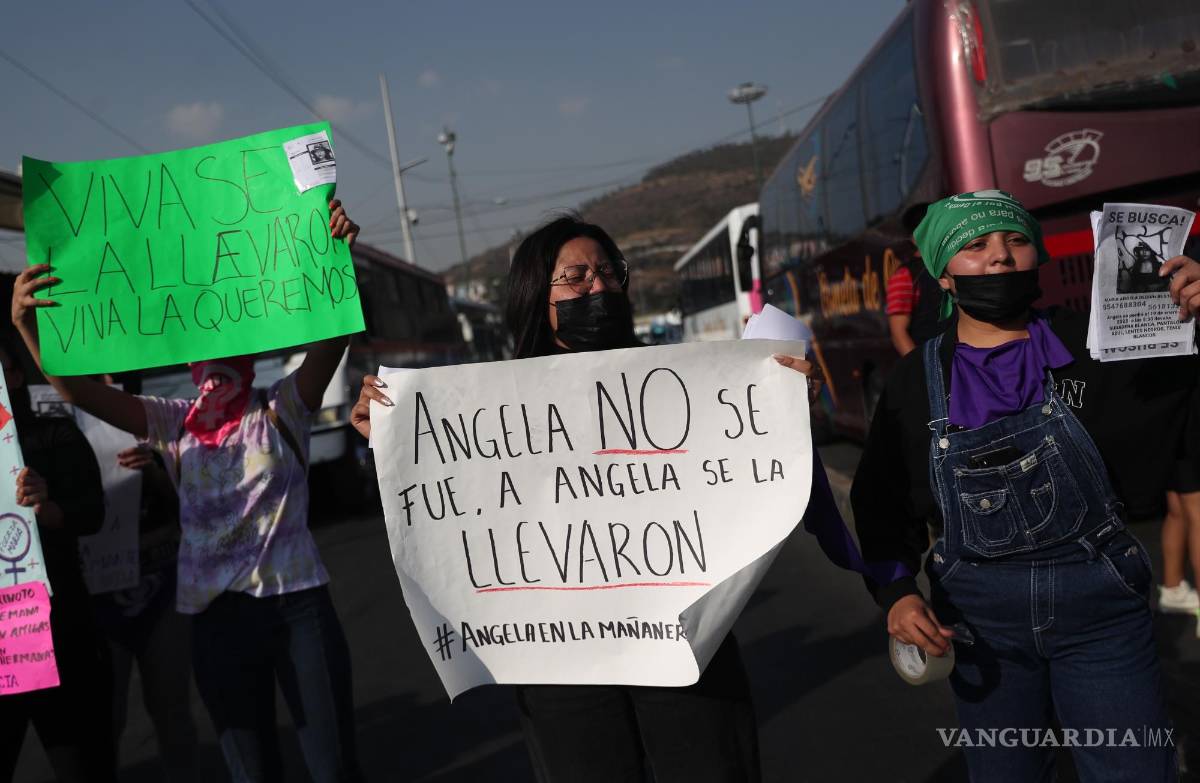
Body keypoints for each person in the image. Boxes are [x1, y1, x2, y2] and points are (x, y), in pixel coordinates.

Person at [351, 213, 816, 783]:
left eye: (607, 272)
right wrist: (394, 433)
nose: (597, 286)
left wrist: (783, 409)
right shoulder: (491, 408)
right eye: (575, 277)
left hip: (686, 647)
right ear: (534, 298)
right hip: (562, 666)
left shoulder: (689, 383)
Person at [11, 199, 365, 783]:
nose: (219, 353)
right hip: (216, 620)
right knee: (251, 773)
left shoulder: (284, 405)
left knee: (334, 770)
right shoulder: (169, 422)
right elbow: (75, 391)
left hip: (298, 607)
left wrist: (334, 254)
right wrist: (26, 322)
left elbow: (334, 339)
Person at [851, 190, 1200, 782]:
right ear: (943, 273)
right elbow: (881, 499)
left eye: (1015, 241)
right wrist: (896, 593)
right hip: (981, 627)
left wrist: (1191, 321)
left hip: (1103, 617)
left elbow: (1176, 420)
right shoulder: (915, 382)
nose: (1000, 258)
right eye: (975, 245)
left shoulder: (1097, 346)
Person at [0, 336, 116, 783]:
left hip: (59, 635)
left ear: (15, 377)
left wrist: (50, 510)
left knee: (84, 767)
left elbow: (94, 514)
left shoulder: (56, 434)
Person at [90, 442, 198, 782]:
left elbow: (197, 503)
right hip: (97, 597)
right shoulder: (59, 425)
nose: (107, 384)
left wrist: (155, 473)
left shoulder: (153, 419)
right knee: (104, 720)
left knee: (172, 708)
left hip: (162, 585)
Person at [885, 203, 944, 356]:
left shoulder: (955, 264)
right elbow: (899, 334)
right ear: (913, 237)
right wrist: (922, 369)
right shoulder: (905, 276)